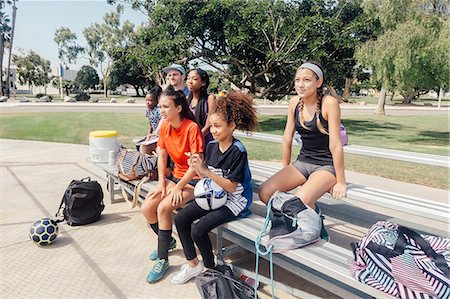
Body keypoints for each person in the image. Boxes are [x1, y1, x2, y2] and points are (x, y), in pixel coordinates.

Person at [171, 91, 258, 284]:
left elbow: (230, 186)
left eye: (218, 126)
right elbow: (208, 177)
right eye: (211, 126)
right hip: (215, 195)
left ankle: (211, 270)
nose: (214, 130)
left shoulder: (238, 151)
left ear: (232, 125)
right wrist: (197, 168)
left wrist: (205, 172)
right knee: (181, 218)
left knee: (198, 229)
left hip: (235, 201)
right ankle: (194, 264)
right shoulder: (211, 146)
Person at [258, 61, 347, 240]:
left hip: (325, 167)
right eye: (297, 80)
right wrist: (286, 168)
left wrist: (341, 181)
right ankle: (312, 213)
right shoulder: (294, 102)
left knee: (296, 203)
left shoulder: (329, 103)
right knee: (265, 192)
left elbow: (336, 144)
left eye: (306, 80)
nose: (300, 84)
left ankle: (313, 224)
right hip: (302, 162)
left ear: (318, 82)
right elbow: (286, 139)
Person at [141, 89, 204, 283]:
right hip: (174, 179)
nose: (161, 110)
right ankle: (167, 242)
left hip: (193, 181)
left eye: (165, 106)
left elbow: (196, 164)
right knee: (147, 208)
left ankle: (162, 260)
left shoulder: (191, 128)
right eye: (160, 106)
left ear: (178, 108)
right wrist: (162, 183)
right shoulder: (165, 127)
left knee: (163, 209)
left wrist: (179, 187)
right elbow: (162, 157)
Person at [186, 68, 216, 145]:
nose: (190, 81)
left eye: (194, 79)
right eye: (188, 78)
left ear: (203, 83)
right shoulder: (186, 100)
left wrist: (195, 139)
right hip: (190, 141)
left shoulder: (210, 99)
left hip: (206, 142)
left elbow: (209, 124)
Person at [138, 85, 163, 155]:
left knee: (145, 148)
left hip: (160, 134)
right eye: (146, 100)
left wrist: (155, 134)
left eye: (150, 100)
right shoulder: (148, 111)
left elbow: (162, 123)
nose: (147, 102)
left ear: (156, 101)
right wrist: (149, 133)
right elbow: (150, 124)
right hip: (154, 134)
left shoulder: (158, 110)